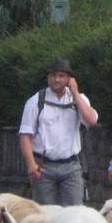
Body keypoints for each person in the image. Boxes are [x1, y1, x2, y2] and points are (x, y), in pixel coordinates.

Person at [18, 58, 98, 206]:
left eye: (61, 76)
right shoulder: (36, 101)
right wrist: (31, 164)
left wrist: (75, 93)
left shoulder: (79, 100)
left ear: (69, 78)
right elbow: (25, 135)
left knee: (75, 211)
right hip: (43, 166)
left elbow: (91, 121)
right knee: (45, 214)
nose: (56, 79)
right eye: (53, 76)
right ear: (48, 78)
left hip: (71, 166)